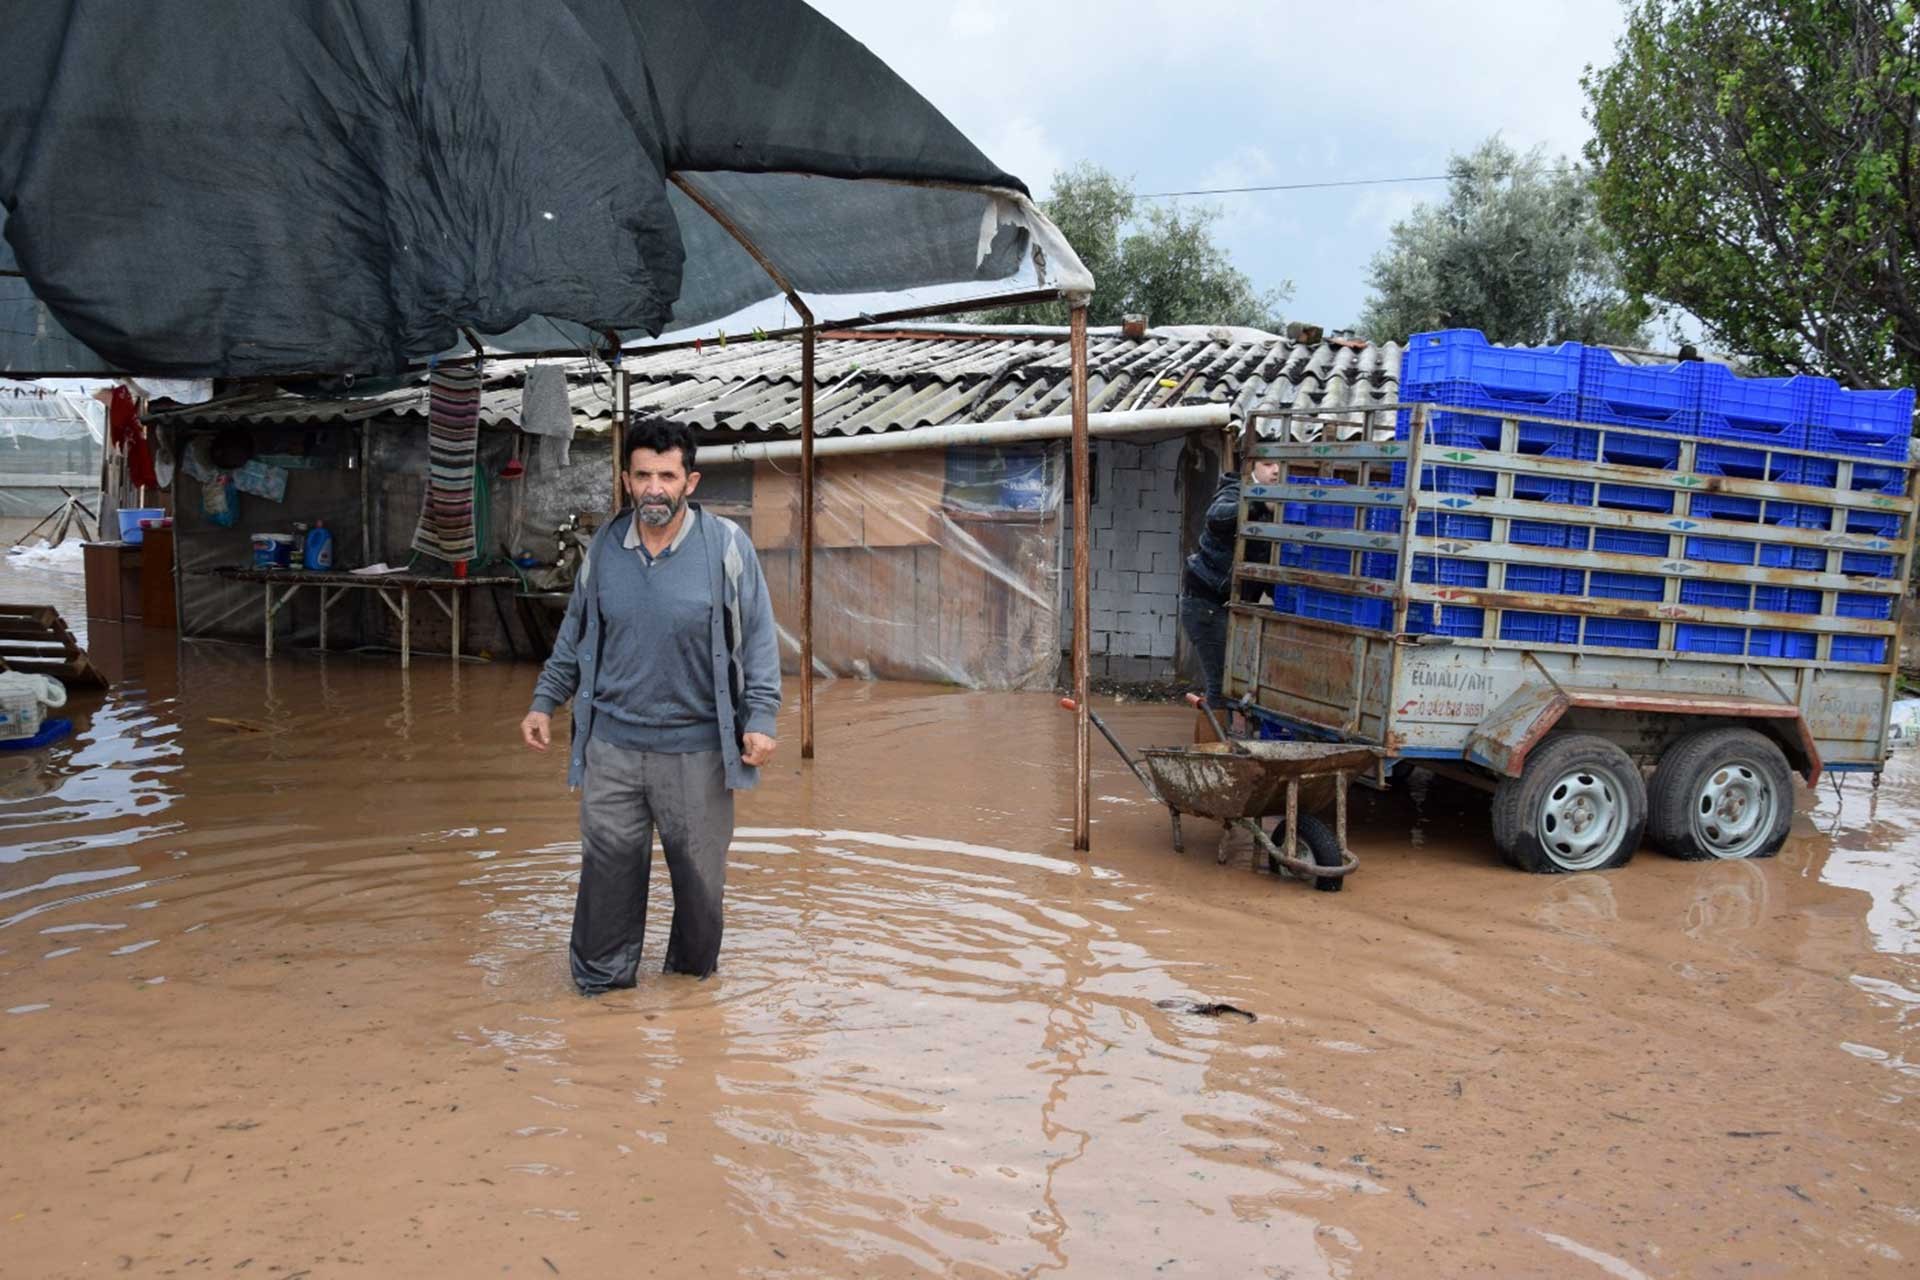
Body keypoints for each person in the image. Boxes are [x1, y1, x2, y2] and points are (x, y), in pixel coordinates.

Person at [520, 416, 782, 992]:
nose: (654, 488)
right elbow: (575, 636)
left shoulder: (727, 548)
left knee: (699, 888)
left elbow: (759, 639)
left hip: (698, 752)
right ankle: (599, 999)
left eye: (667, 475)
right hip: (612, 748)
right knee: (606, 880)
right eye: (643, 476)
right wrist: (545, 701)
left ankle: (691, 999)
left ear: (690, 481)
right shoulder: (604, 550)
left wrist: (760, 718)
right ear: (626, 480)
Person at [1179, 456, 1281, 716]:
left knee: (1236, 684)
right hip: (1206, 603)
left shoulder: (1280, 504)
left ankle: (1225, 741)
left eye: (1280, 464)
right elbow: (1217, 517)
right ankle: (1213, 748)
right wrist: (1257, 502)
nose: (1276, 470)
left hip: (1233, 606)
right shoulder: (1234, 490)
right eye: (1268, 464)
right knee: (1221, 687)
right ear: (1251, 467)